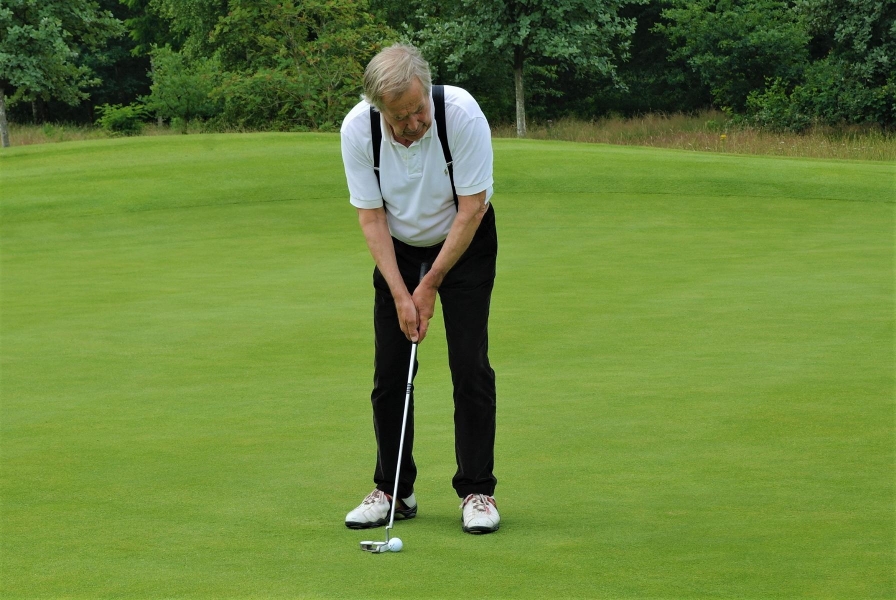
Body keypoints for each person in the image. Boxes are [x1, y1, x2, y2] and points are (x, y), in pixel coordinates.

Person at [339, 43, 500, 534]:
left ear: (426, 91)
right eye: (400, 116)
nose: (414, 123)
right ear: (378, 108)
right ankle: (394, 491)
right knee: (390, 372)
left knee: (468, 365)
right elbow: (371, 218)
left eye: (418, 109)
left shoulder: (461, 115)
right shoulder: (358, 130)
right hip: (398, 248)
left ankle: (477, 491)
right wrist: (400, 292)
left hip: (465, 242)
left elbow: (472, 208)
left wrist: (429, 285)